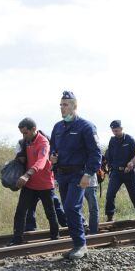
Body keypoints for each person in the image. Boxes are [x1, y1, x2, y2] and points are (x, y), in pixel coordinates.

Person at [50, 91, 102, 259]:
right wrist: (52, 156)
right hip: (62, 174)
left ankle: (81, 245)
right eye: (61, 105)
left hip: (79, 175)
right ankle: (76, 243)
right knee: (68, 209)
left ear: (74, 106)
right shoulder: (58, 127)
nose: (62, 108)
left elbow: (95, 153)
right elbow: (53, 147)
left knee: (72, 207)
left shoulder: (86, 127)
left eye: (65, 105)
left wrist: (89, 174)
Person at [8, 118, 59, 245]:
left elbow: (41, 161)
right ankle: (17, 240)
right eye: (22, 133)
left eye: (25, 133)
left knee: (50, 212)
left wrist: (27, 175)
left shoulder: (43, 142)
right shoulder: (26, 141)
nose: (24, 136)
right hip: (30, 184)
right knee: (20, 212)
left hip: (45, 184)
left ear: (33, 129)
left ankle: (55, 238)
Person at [103, 120, 135, 221]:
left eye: (117, 130)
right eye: (113, 131)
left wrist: (131, 165)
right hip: (116, 173)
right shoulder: (112, 140)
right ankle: (110, 217)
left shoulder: (130, 139)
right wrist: (109, 167)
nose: (115, 132)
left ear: (121, 129)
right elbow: (109, 155)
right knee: (110, 194)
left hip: (129, 172)